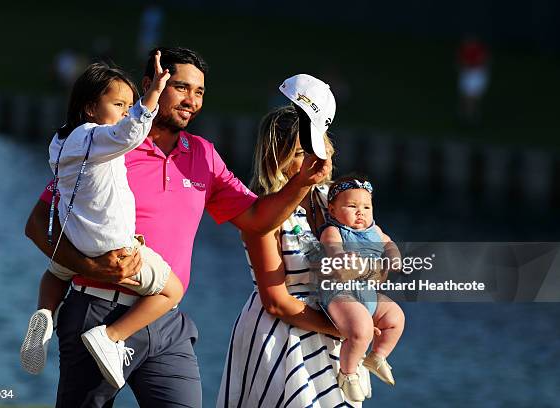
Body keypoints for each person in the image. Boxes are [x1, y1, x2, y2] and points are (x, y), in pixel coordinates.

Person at [24, 47, 331, 407]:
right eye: (182, 88)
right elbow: (37, 225)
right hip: (96, 312)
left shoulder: (203, 154)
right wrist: (90, 267)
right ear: (151, 85)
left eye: (199, 92)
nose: (192, 100)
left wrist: (300, 184)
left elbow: (256, 220)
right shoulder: (111, 144)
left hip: (166, 323)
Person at [20, 55, 186, 390]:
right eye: (119, 104)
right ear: (90, 109)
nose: (126, 112)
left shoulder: (61, 142)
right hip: (111, 246)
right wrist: (152, 96)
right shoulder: (96, 138)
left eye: (129, 105)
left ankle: (44, 315)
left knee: (56, 271)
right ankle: (110, 337)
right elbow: (131, 132)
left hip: (74, 238)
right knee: (172, 290)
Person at [217, 74, 372, 407]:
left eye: (316, 147)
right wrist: (344, 330)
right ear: (278, 157)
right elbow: (275, 301)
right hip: (283, 337)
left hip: (334, 333)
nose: (313, 160)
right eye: (301, 153)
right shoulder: (260, 211)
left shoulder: (334, 201)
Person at [318, 176, 405, 401]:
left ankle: (377, 356)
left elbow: (390, 245)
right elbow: (333, 252)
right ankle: (347, 374)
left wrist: (394, 258)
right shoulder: (334, 232)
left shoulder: (376, 231)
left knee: (396, 317)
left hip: (367, 291)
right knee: (362, 330)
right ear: (333, 210)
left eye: (366, 207)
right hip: (340, 292)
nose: (361, 212)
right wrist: (342, 257)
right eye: (352, 206)